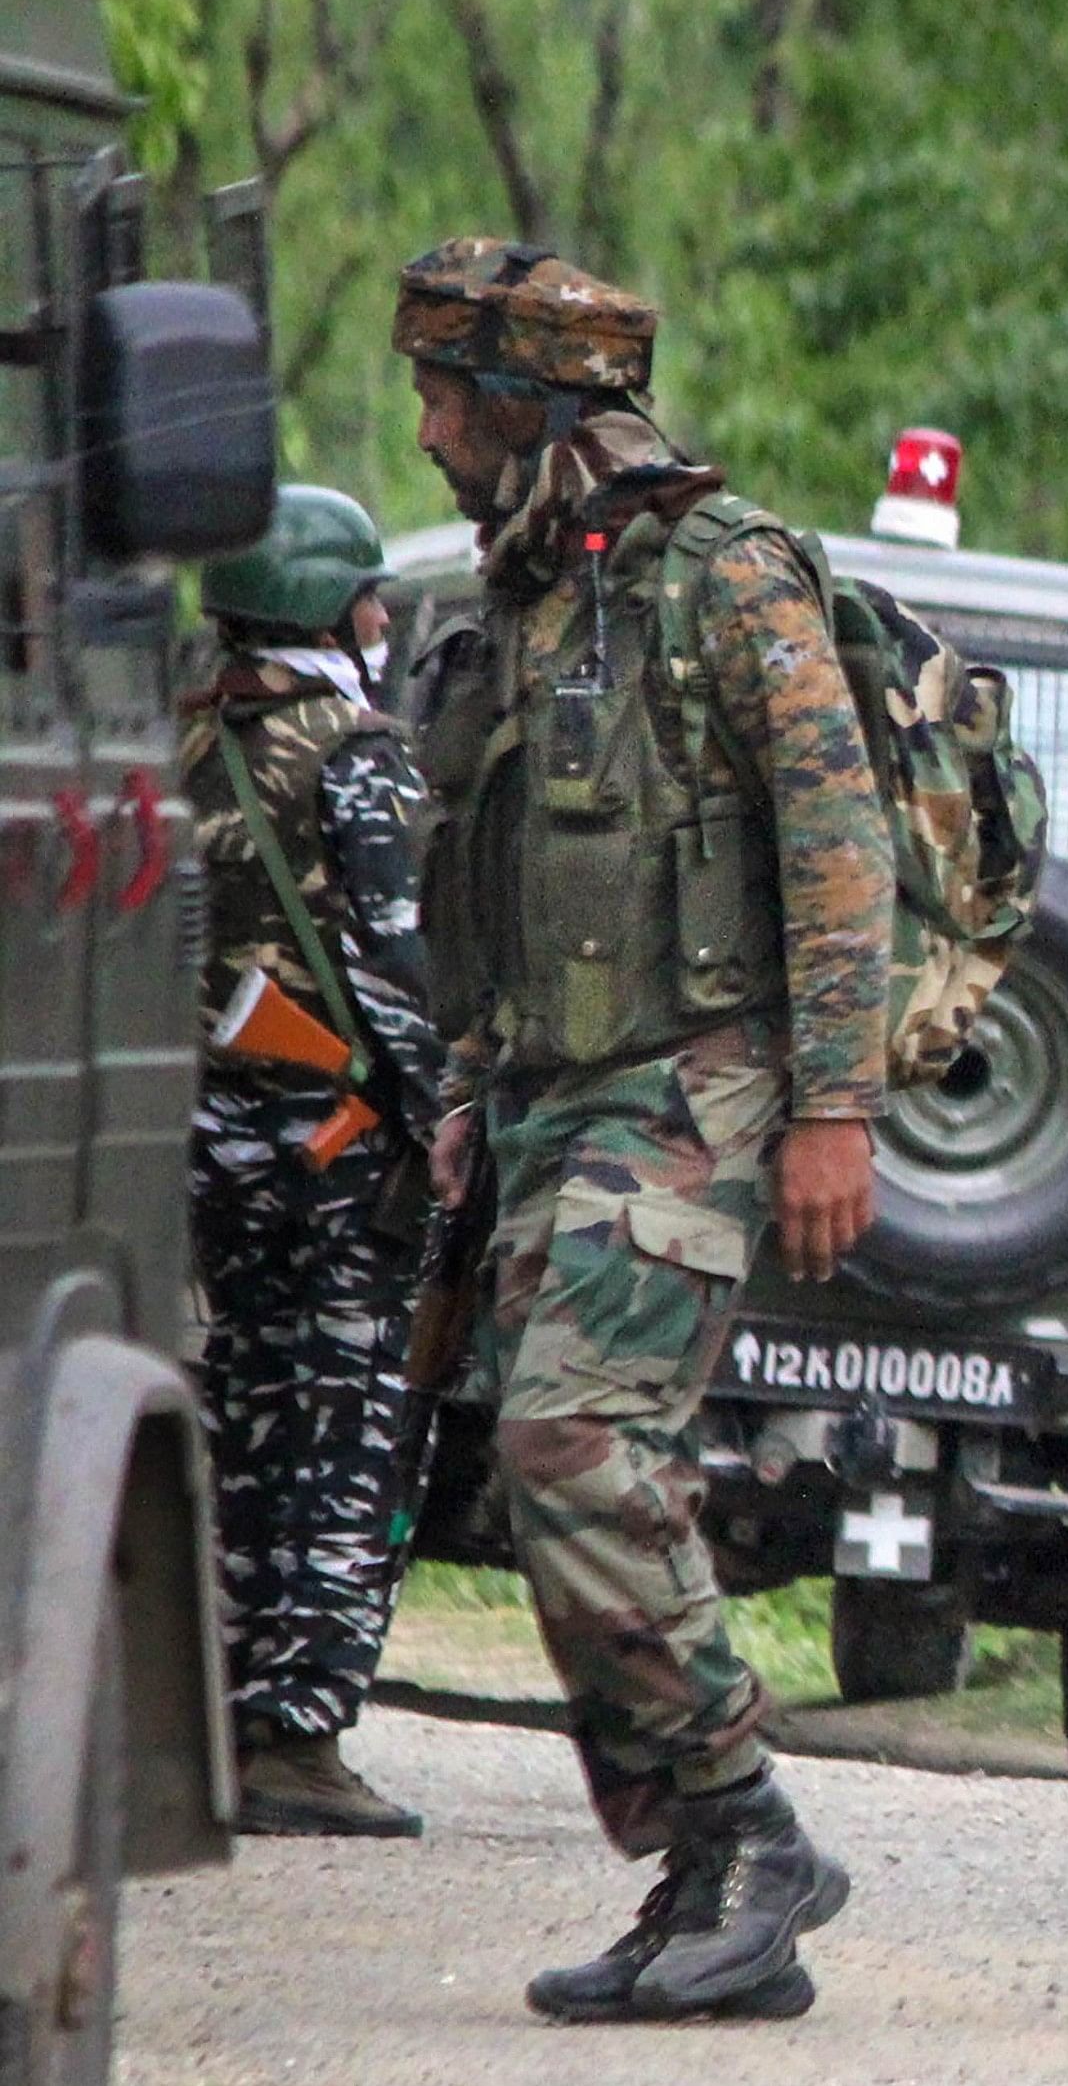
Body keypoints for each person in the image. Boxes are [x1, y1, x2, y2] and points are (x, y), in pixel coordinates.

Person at [395, 237, 891, 2023]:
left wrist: (836, 1103)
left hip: (698, 1079)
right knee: (556, 1481)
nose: (431, 427)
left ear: (531, 406)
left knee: (570, 1440)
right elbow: (497, 879)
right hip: (548, 1090)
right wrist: (469, 1086)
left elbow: (842, 846)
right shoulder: (524, 591)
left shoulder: (720, 571)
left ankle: (748, 1822)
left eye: (453, 396)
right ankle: (706, 1875)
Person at [181, 484, 445, 1839]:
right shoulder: (357, 753)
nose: (385, 617)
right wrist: (444, 1114)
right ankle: (298, 1731)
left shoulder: (176, 736)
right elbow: (397, 969)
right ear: (327, 605)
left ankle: (209, 1707)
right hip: (335, 1145)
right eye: (369, 594)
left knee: (230, 1409)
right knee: (342, 1423)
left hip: (201, 1141)